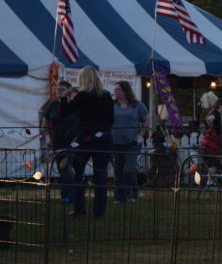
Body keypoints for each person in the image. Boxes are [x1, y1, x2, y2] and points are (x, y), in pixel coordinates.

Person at [60, 66, 114, 218]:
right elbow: (111, 120)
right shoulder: (107, 95)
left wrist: (64, 97)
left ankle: (79, 208)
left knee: (77, 173)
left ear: (82, 79)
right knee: (101, 177)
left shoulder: (82, 95)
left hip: (85, 139)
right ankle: (99, 212)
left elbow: (64, 112)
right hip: (103, 138)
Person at [41, 80, 79, 203]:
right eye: (58, 89)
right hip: (57, 141)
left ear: (68, 91)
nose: (59, 91)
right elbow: (45, 121)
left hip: (71, 141)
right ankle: (66, 195)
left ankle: (70, 196)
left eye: (62, 89)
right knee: (61, 168)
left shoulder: (74, 105)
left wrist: (76, 139)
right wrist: (46, 136)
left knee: (67, 167)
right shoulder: (52, 105)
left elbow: (80, 123)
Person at [110, 81, 148, 203]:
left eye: (119, 89)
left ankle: (133, 194)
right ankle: (119, 196)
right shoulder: (112, 105)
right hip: (116, 142)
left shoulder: (136, 105)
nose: (116, 91)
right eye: (115, 89)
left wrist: (140, 134)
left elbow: (146, 119)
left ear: (126, 91)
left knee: (129, 167)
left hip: (132, 142)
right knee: (118, 170)